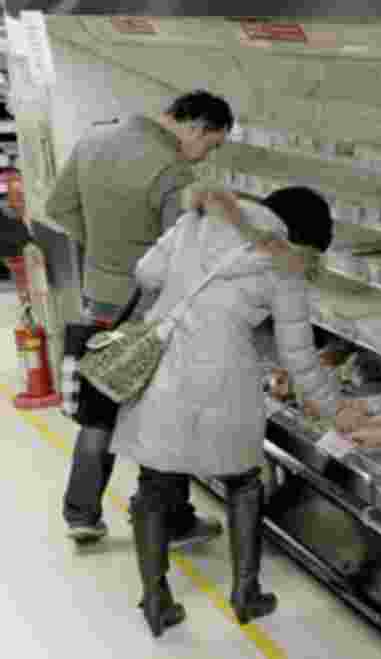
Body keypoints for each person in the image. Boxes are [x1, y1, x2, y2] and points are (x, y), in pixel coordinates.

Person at [109, 184, 342, 636]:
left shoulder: (196, 221)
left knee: (154, 484)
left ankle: (156, 598)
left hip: (164, 365)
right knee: (242, 483)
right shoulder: (284, 261)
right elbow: (298, 356)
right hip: (226, 376)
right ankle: (246, 592)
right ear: (303, 235)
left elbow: (147, 273)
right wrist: (334, 409)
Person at [45, 90, 234, 545]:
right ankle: (172, 520)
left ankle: (81, 514)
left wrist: (104, 256)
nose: (205, 154)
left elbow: (57, 208)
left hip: (98, 298)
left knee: (99, 408)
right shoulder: (173, 172)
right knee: (162, 415)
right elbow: (180, 252)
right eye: (210, 145)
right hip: (148, 308)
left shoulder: (95, 140)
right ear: (194, 128)